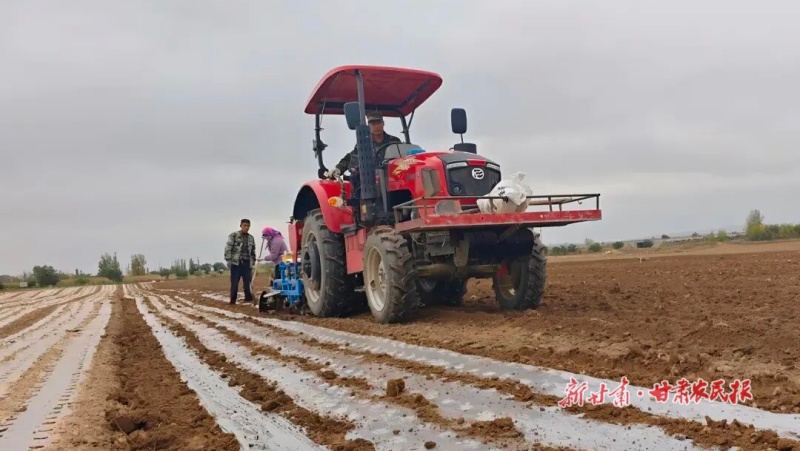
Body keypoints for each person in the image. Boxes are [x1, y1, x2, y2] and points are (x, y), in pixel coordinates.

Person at [325, 111, 402, 179]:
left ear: (383, 123)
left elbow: (403, 158)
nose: (376, 126)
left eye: (378, 122)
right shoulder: (364, 144)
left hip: (392, 178)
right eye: (373, 123)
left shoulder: (394, 141)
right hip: (370, 181)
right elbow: (351, 158)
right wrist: (338, 168)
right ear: (368, 125)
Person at [224, 218, 256, 304]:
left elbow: (253, 252)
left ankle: (248, 300)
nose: (246, 227)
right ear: (241, 226)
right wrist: (229, 260)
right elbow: (228, 248)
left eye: (248, 226)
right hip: (236, 264)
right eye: (244, 225)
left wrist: (253, 263)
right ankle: (233, 300)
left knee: (247, 284)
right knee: (234, 284)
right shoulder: (233, 236)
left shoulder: (251, 238)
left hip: (246, 264)